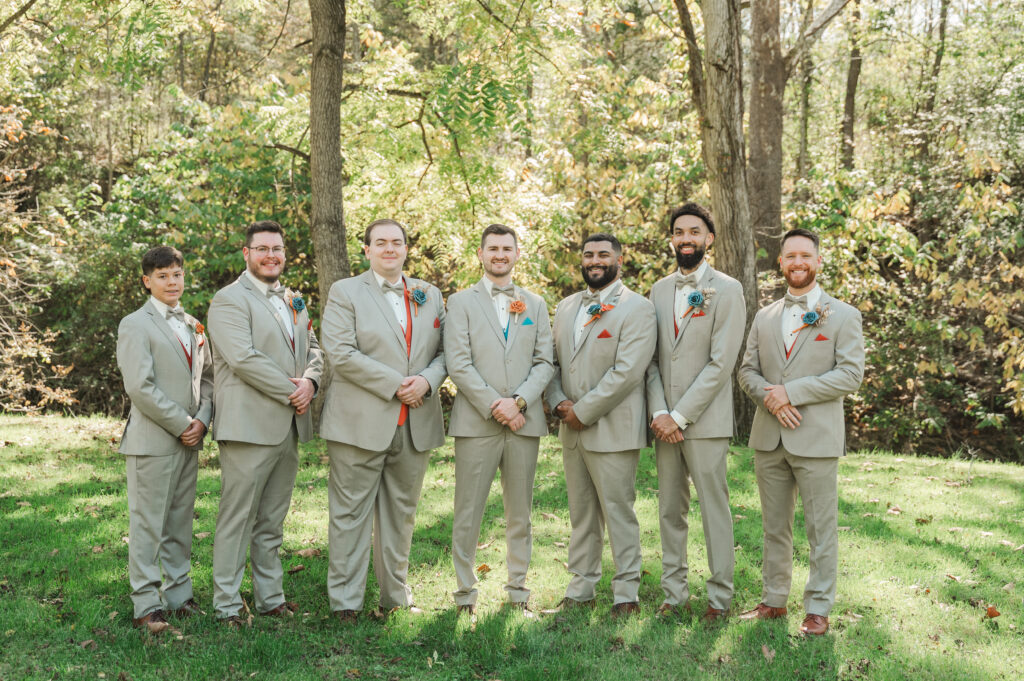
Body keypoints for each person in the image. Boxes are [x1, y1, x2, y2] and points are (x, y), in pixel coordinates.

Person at [737, 227, 864, 636]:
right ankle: (774, 600)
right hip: (768, 437)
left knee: (819, 529)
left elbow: (850, 374)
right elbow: (747, 372)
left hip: (817, 438)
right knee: (775, 526)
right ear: (781, 262)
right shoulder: (765, 316)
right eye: (790, 256)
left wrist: (790, 392)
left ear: (818, 261)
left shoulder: (843, 315)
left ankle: (818, 608)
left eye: (805, 256)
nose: (798, 263)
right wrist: (771, 398)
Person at [320, 219, 447, 622]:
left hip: (415, 422)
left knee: (401, 513)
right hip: (359, 422)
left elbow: (448, 351)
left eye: (397, 242)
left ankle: (395, 596)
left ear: (407, 248)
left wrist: (426, 380)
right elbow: (340, 352)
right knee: (349, 515)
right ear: (367, 250)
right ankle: (345, 601)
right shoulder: (345, 292)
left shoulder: (430, 293)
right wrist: (396, 384)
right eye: (380, 243)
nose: (389, 248)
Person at [207, 220, 323, 626]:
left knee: (273, 518)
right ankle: (225, 603)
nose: (271, 255)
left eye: (277, 249)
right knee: (238, 518)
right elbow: (243, 358)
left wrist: (310, 380)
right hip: (248, 425)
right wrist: (295, 392)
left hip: (288, 425)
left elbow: (313, 347)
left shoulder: (294, 299)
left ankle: (270, 596)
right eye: (262, 249)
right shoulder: (228, 300)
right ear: (246, 253)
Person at [544, 233, 656, 618]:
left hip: (613, 428)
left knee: (618, 511)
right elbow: (552, 363)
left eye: (603, 254)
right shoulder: (565, 307)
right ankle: (581, 588)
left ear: (619, 259)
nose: (595, 260)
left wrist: (584, 410)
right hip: (570, 427)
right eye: (588, 254)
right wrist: (558, 401)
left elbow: (627, 372)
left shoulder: (637, 308)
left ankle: (626, 593)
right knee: (581, 513)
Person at [445, 224, 554, 617]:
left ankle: (518, 590)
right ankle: (464, 594)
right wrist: (497, 405)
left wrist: (520, 401)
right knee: (468, 509)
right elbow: (458, 362)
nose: (500, 255)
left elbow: (545, 361)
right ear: (480, 254)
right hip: (477, 422)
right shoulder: (459, 302)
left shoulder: (535, 304)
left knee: (520, 511)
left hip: (524, 423)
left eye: (507, 248)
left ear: (517, 254)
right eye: (493, 248)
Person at [646, 203, 745, 623]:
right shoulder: (656, 290)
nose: (686, 238)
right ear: (672, 239)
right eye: (679, 232)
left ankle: (720, 598)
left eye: (694, 232)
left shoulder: (728, 289)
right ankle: (674, 593)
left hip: (703, 421)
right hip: (661, 420)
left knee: (712, 508)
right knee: (670, 509)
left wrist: (680, 415)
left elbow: (722, 363)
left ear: (709, 239)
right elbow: (649, 359)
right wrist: (658, 412)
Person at [117, 246, 213, 634]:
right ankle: (146, 604)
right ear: (147, 281)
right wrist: (182, 422)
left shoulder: (192, 323)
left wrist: (202, 421)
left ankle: (179, 595)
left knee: (179, 522)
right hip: (152, 440)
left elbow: (206, 381)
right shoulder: (135, 324)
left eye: (177, 274)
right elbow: (139, 386)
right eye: (163, 276)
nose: (172, 282)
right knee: (148, 524)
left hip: (189, 438)